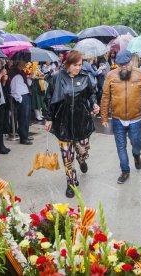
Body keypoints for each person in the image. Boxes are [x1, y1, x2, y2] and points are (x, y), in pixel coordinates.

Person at [44, 50, 100, 198]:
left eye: (80, 65)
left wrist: (94, 104)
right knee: (66, 155)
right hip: (63, 123)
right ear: (68, 64)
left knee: (83, 151)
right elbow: (49, 98)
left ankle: (81, 160)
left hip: (82, 122)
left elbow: (92, 94)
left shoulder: (85, 77)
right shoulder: (57, 78)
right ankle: (71, 182)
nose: (78, 68)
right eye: (75, 65)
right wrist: (49, 118)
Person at [101, 49, 141, 184]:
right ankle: (125, 171)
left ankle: (137, 156)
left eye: (126, 64)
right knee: (121, 146)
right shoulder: (110, 75)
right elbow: (106, 97)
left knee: (136, 144)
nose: (123, 67)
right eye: (120, 65)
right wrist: (104, 117)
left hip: (136, 119)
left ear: (131, 62)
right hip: (117, 119)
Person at [10, 61, 33, 145]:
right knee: (23, 119)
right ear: (19, 63)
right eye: (23, 62)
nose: (25, 64)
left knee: (26, 118)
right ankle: (23, 138)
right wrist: (20, 99)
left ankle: (25, 136)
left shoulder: (21, 73)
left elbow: (26, 84)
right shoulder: (16, 74)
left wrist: (30, 78)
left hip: (25, 96)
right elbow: (14, 89)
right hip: (23, 97)